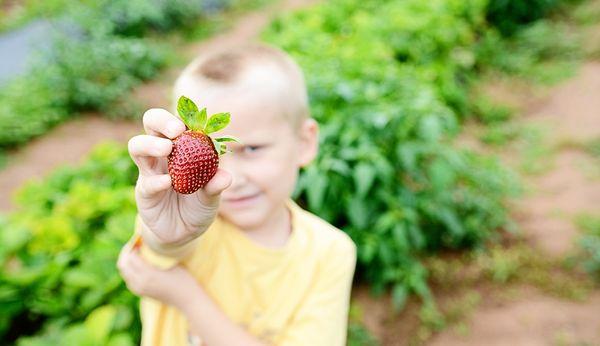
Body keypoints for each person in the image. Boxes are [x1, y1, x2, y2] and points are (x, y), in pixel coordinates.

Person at [117, 42, 357, 346]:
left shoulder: (329, 252)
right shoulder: (193, 226)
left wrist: (186, 297)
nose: (230, 178)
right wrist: (168, 233)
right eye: (215, 151)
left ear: (304, 142)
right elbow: (163, 244)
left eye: (252, 149)